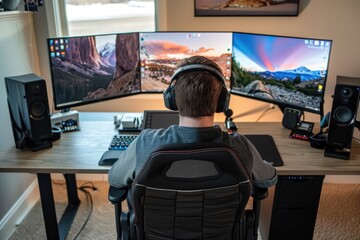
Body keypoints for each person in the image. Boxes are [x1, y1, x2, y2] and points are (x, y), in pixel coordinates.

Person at [108, 55, 277, 189]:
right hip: (220, 231)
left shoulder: (145, 143)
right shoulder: (241, 146)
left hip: (156, 232)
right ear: (222, 101)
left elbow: (115, 179)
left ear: (171, 99)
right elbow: (267, 180)